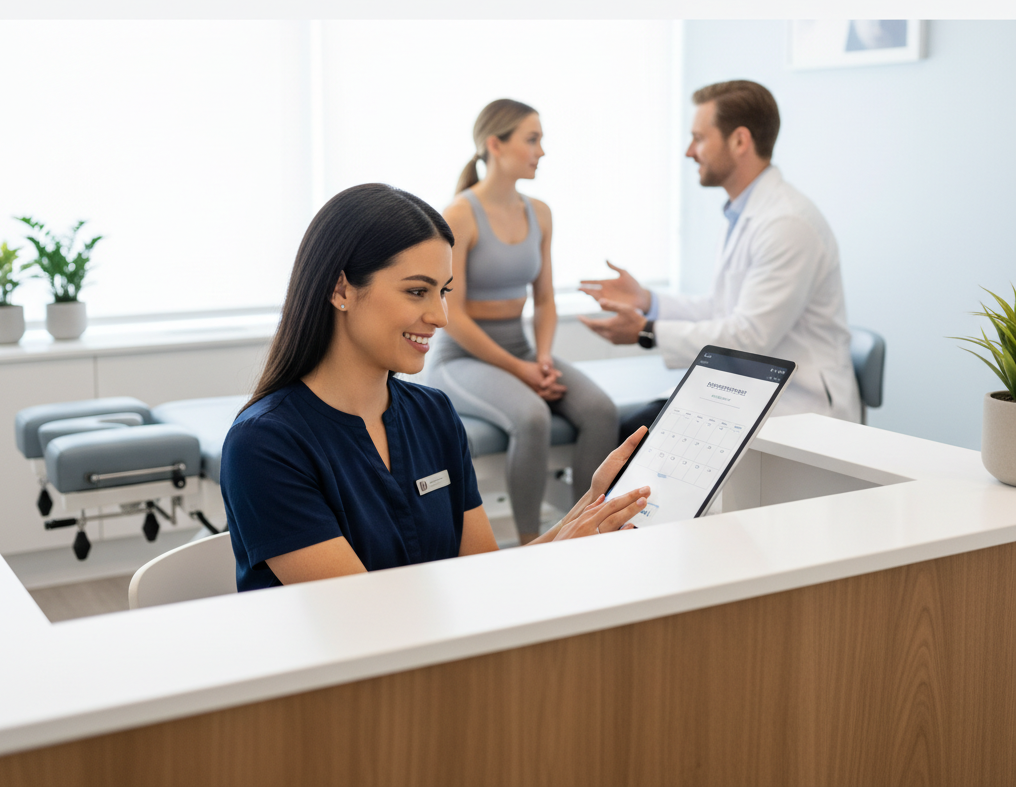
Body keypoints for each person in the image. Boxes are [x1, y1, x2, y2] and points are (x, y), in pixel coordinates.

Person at [220, 183, 650, 591]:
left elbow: (482, 578)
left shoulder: (433, 414)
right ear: (341, 289)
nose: (441, 316)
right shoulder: (265, 444)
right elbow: (367, 617)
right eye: (417, 291)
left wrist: (591, 508)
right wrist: (560, 551)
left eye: (443, 292)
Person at [579, 80, 861, 437]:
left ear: (740, 141)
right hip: (745, 390)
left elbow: (748, 337)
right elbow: (721, 307)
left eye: (698, 138)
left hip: (798, 406)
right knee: (631, 431)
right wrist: (648, 303)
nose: (688, 152)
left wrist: (646, 332)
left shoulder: (787, 223)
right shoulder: (744, 212)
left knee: (633, 439)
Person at [426, 100, 620, 545]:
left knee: (599, 410)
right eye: (532, 139)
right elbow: (451, 316)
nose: (541, 151)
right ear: (495, 144)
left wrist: (544, 358)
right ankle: (534, 544)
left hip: (523, 350)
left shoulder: (541, 212)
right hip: (461, 358)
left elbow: (546, 300)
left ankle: (587, 529)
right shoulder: (460, 214)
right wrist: (523, 371)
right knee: (531, 416)